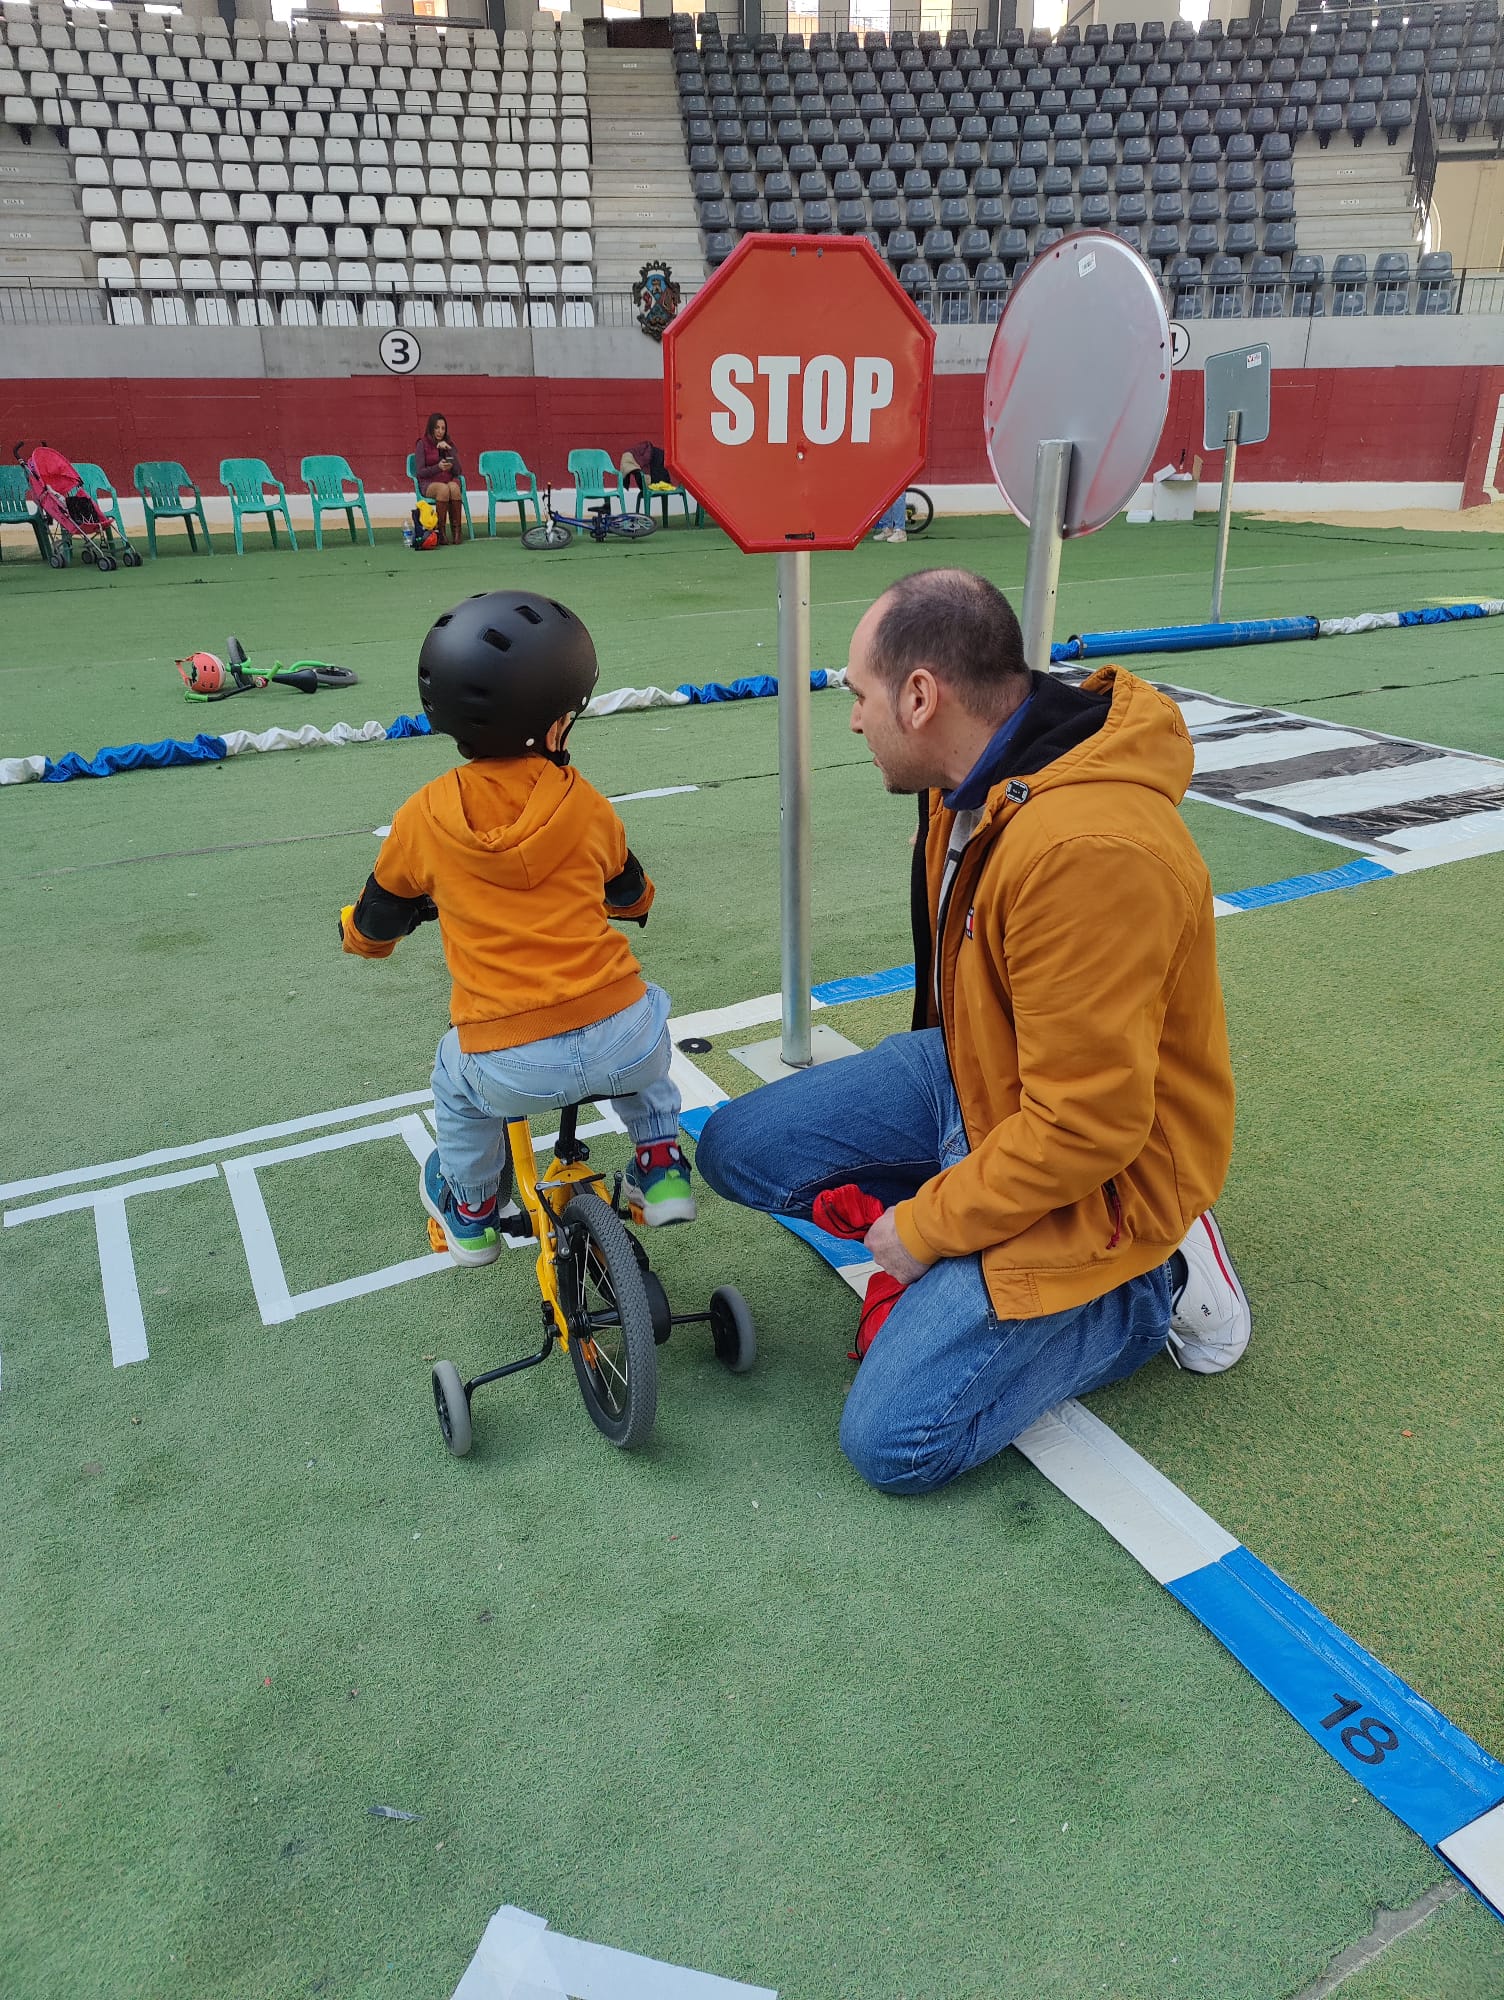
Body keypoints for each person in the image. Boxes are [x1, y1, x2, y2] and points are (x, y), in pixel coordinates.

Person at [696, 568, 1250, 1496]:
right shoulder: (973, 774)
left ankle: (1160, 1283)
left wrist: (926, 1226)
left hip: (1109, 1167)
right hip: (982, 1082)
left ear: (921, 697)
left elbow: (1090, 1127)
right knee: (737, 1152)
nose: (852, 720)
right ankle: (989, 1221)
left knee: (895, 1443)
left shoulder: (1087, 850)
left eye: (857, 694)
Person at [337, 590, 696, 1260]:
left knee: (455, 1077)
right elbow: (630, 892)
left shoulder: (423, 816)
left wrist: (359, 934)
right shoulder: (584, 802)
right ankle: (662, 1165)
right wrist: (630, 904)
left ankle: (471, 1208)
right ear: (556, 723)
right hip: (623, 1039)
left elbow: (376, 921)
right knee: (642, 1020)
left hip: (511, 1063)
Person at [413, 412, 466, 546]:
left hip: (446, 481)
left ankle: (457, 532)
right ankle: (440, 532)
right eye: (437, 428)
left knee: (454, 487)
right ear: (431, 428)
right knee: (443, 489)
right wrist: (438, 468)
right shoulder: (422, 444)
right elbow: (420, 472)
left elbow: (458, 471)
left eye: (443, 428)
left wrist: (450, 451)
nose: (440, 431)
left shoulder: (448, 443)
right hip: (428, 483)